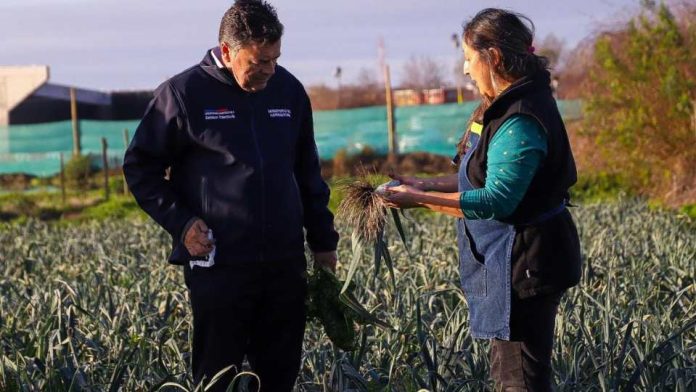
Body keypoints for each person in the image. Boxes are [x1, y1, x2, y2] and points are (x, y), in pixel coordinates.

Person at [123, 1, 339, 390]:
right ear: (227, 51)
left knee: (278, 375)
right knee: (217, 376)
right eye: (258, 62)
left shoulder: (288, 91)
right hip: (220, 267)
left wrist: (323, 242)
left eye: (275, 59)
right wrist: (182, 222)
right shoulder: (182, 94)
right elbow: (141, 168)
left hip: (284, 265)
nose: (269, 71)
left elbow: (308, 172)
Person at [384, 8, 581, 392]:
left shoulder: (520, 116)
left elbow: (496, 199)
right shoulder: (502, 105)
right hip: (511, 263)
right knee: (508, 373)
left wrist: (418, 201)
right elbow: (476, 177)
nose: (464, 68)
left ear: (492, 58)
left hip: (526, 264)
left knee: (519, 380)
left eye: (469, 58)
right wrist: (423, 184)